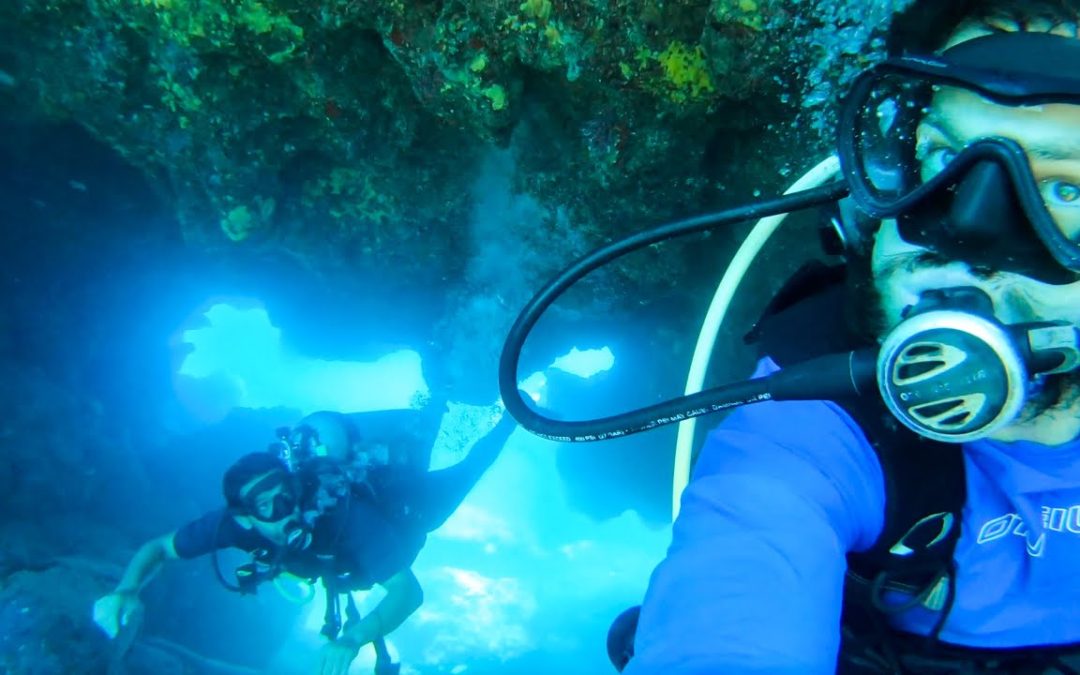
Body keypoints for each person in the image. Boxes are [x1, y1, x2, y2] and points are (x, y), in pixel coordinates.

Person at [623, 2, 1080, 674]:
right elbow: (737, 586)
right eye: (945, 157)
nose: (966, 230)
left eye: (1066, 188)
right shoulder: (816, 421)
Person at [93, 405, 516, 675]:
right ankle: (437, 401)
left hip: (409, 510)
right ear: (244, 517)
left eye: (288, 495)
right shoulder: (228, 526)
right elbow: (159, 548)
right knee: (427, 438)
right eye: (270, 507)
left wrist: (353, 639)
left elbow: (407, 592)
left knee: (468, 467)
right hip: (351, 563)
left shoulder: (342, 517)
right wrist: (126, 589)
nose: (289, 511)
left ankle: (509, 416)